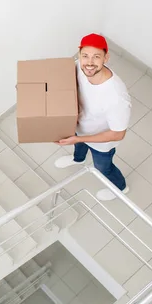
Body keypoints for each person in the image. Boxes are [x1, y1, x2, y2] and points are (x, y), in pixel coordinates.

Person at [54, 33, 132, 201]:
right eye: (85, 56)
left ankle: (120, 187)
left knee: (103, 168)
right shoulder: (79, 67)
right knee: (79, 146)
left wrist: (80, 139)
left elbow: (118, 133)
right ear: (79, 56)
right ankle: (78, 159)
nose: (89, 62)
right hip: (79, 127)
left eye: (96, 57)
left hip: (102, 143)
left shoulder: (116, 97)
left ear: (106, 58)